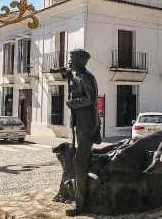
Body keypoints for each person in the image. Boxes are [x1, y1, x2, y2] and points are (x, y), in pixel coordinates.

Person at [58, 49, 101, 216]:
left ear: (80, 60)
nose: (69, 60)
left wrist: (72, 103)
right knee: (80, 161)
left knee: (80, 162)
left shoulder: (87, 77)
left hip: (87, 124)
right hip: (80, 122)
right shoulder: (76, 74)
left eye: (72, 58)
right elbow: (71, 76)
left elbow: (91, 98)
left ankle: (81, 204)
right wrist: (65, 74)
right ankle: (83, 196)